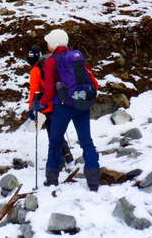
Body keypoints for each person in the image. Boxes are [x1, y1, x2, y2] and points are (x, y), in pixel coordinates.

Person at [33, 29, 100, 191]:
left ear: (54, 44)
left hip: (62, 107)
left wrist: (40, 104)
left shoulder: (51, 61)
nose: (47, 44)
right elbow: (92, 81)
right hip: (81, 104)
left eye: (49, 42)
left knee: (55, 143)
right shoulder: (77, 57)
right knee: (86, 142)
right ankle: (93, 181)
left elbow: (49, 90)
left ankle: (51, 180)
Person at [27, 45, 74, 170]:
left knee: (52, 135)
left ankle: (59, 163)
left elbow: (34, 91)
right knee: (57, 131)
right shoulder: (52, 64)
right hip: (61, 102)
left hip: (46, 104)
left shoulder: (36, 71)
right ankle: (67, 155)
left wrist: (32, 107)